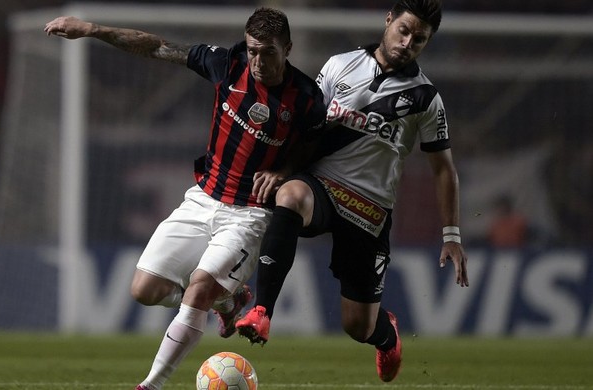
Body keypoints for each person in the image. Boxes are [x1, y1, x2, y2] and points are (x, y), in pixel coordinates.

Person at [45, 8, 326, 390]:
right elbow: (157, 46)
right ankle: (227, 302)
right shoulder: (226, 64)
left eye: (269, 52)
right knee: (144, 291)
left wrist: (285, 172)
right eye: (253, 50)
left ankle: (151, 384)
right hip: (202, 199)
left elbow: (315, 150)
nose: (258, 61)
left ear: (288, 48)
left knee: (197, 287)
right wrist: (93, 30)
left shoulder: (307, 98)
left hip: (248, 215)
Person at [235, 0, 469, 383]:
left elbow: (443, 170)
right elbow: (308, 129)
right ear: (389, 20)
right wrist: (282, 169)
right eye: (404, 30)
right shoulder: (339, 65)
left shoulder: (427, 99)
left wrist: (452, 235)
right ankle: (261, 311)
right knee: (289, 196)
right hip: (321, 186)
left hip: (369, 210)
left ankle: (386, 336)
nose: (408, 42)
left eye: (420, 39)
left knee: (357, 326)